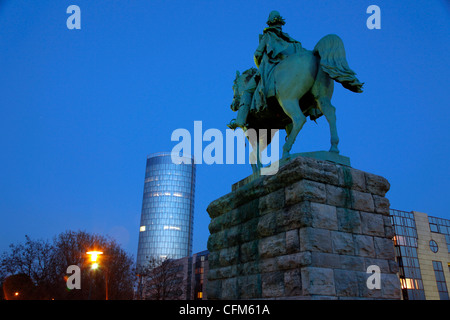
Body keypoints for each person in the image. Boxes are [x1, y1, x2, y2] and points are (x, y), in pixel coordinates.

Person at [229, 11, 302, 130]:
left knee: (247, 91)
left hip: (270, 67)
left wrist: (259, 65)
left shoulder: (268, 35)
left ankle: (240, 120)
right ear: (280, 22)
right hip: (288, 70)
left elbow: (257, 54)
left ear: (269, 22)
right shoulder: (289, 39)